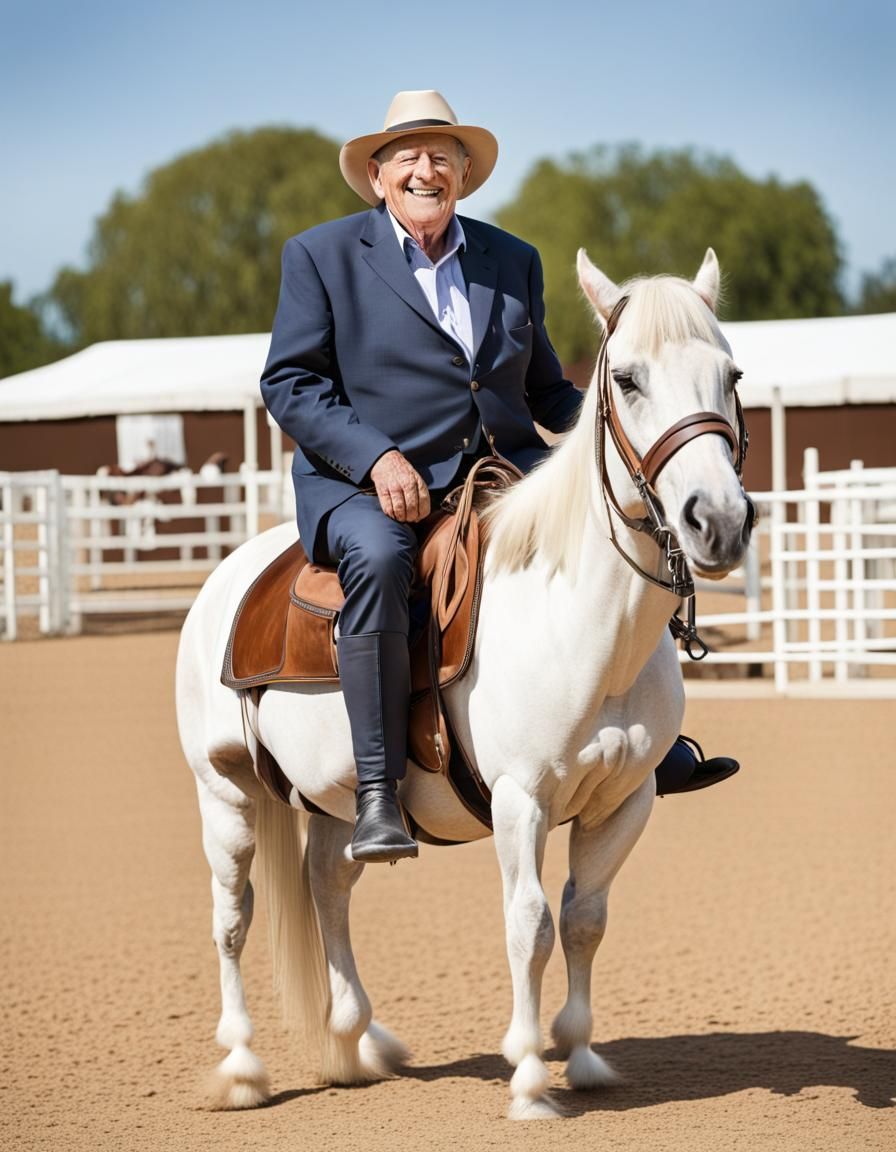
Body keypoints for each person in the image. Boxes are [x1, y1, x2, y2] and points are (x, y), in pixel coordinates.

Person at [260, 90, 738, 864]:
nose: (426, 169)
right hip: (365, 482)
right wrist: (378, 458)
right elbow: (291, 384)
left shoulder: (511, 259)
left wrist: (641, 435)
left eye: (442, 156)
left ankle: (655, 734)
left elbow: (545, 391)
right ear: (377, 176)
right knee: (381, 561)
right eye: (408, 157)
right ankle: (380, 789)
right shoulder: (319, 256)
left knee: (630, 516)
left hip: (502, 471)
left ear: (464, 175)